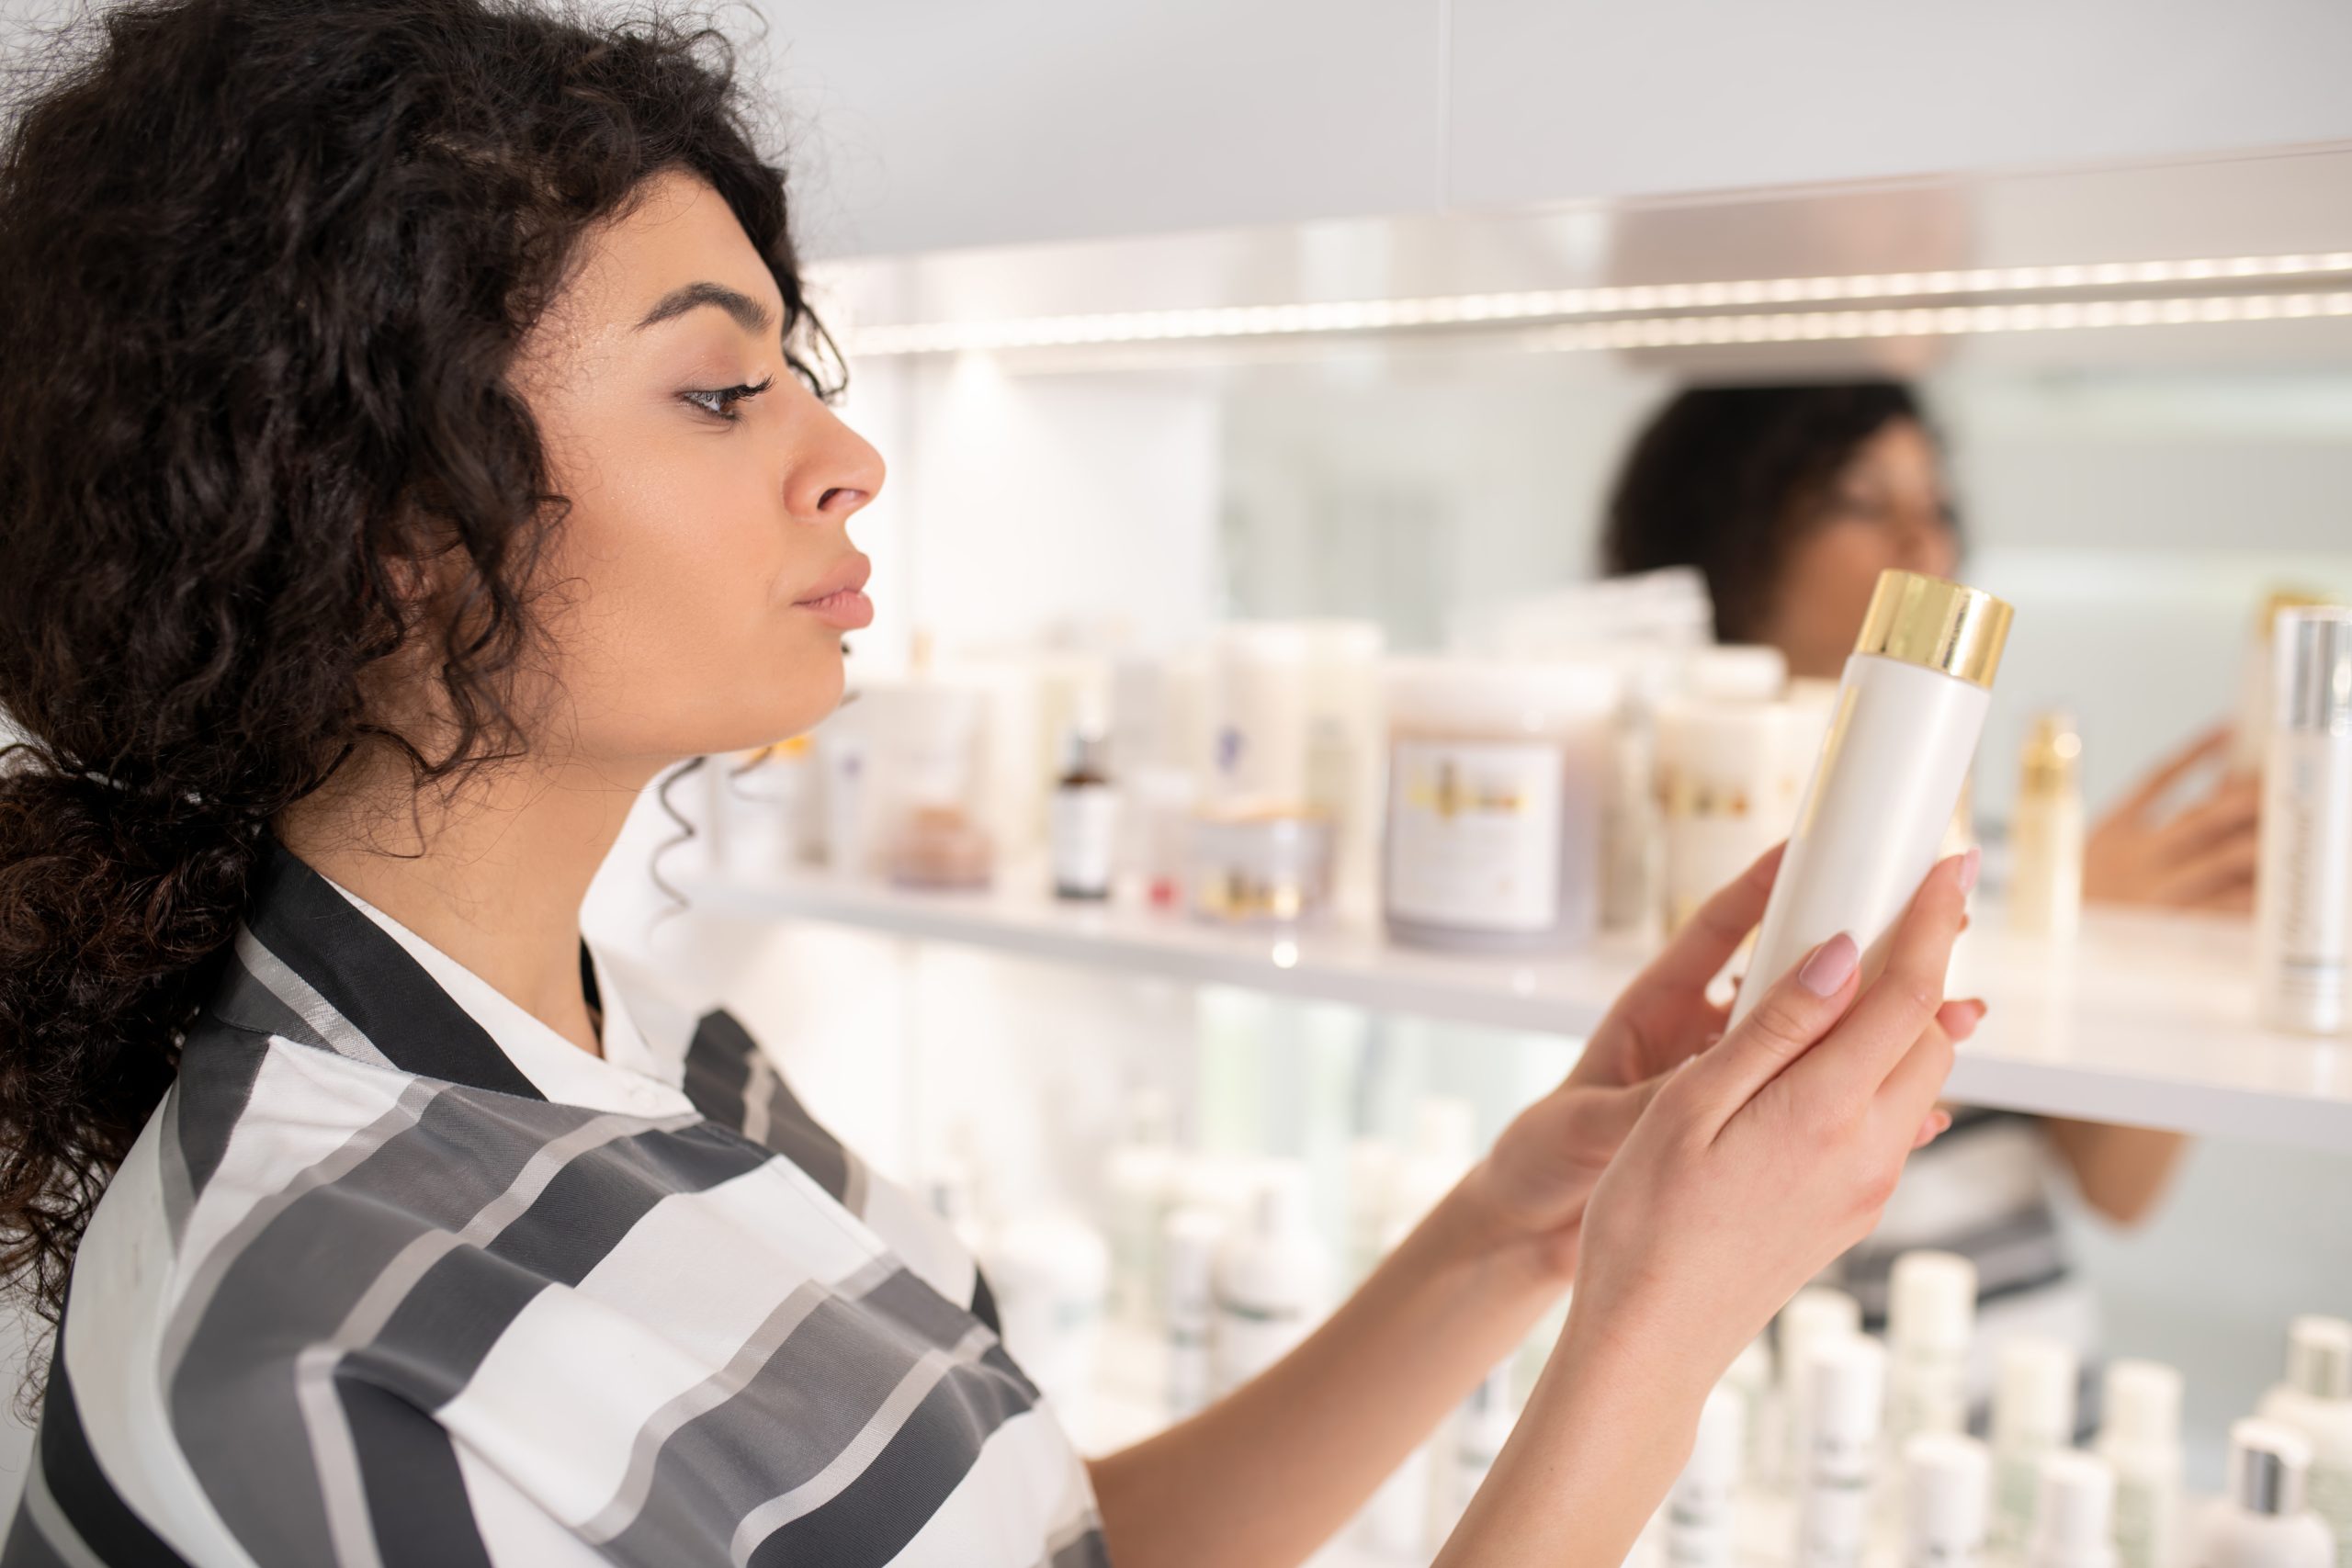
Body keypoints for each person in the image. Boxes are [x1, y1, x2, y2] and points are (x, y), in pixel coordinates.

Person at [0, 5, 1979, 1564]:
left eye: (800, 369)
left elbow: (1055, 1545)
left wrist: (1518, 1234)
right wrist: (1659, 1337)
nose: (844, 455)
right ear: (390, 525)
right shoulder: (323, 1376)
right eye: (718, 391)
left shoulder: (672, 1062)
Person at [1601, 383, 2239, 1394]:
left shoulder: (1984, 849)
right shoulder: (1679, 849)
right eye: (1861, 499)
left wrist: (2173, 953)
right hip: (1832, 1415)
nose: (1923, 537)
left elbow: (2118, 1189)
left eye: (1937, 502)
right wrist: (2056, 929)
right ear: (1726, 535)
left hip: (2040, 1383)